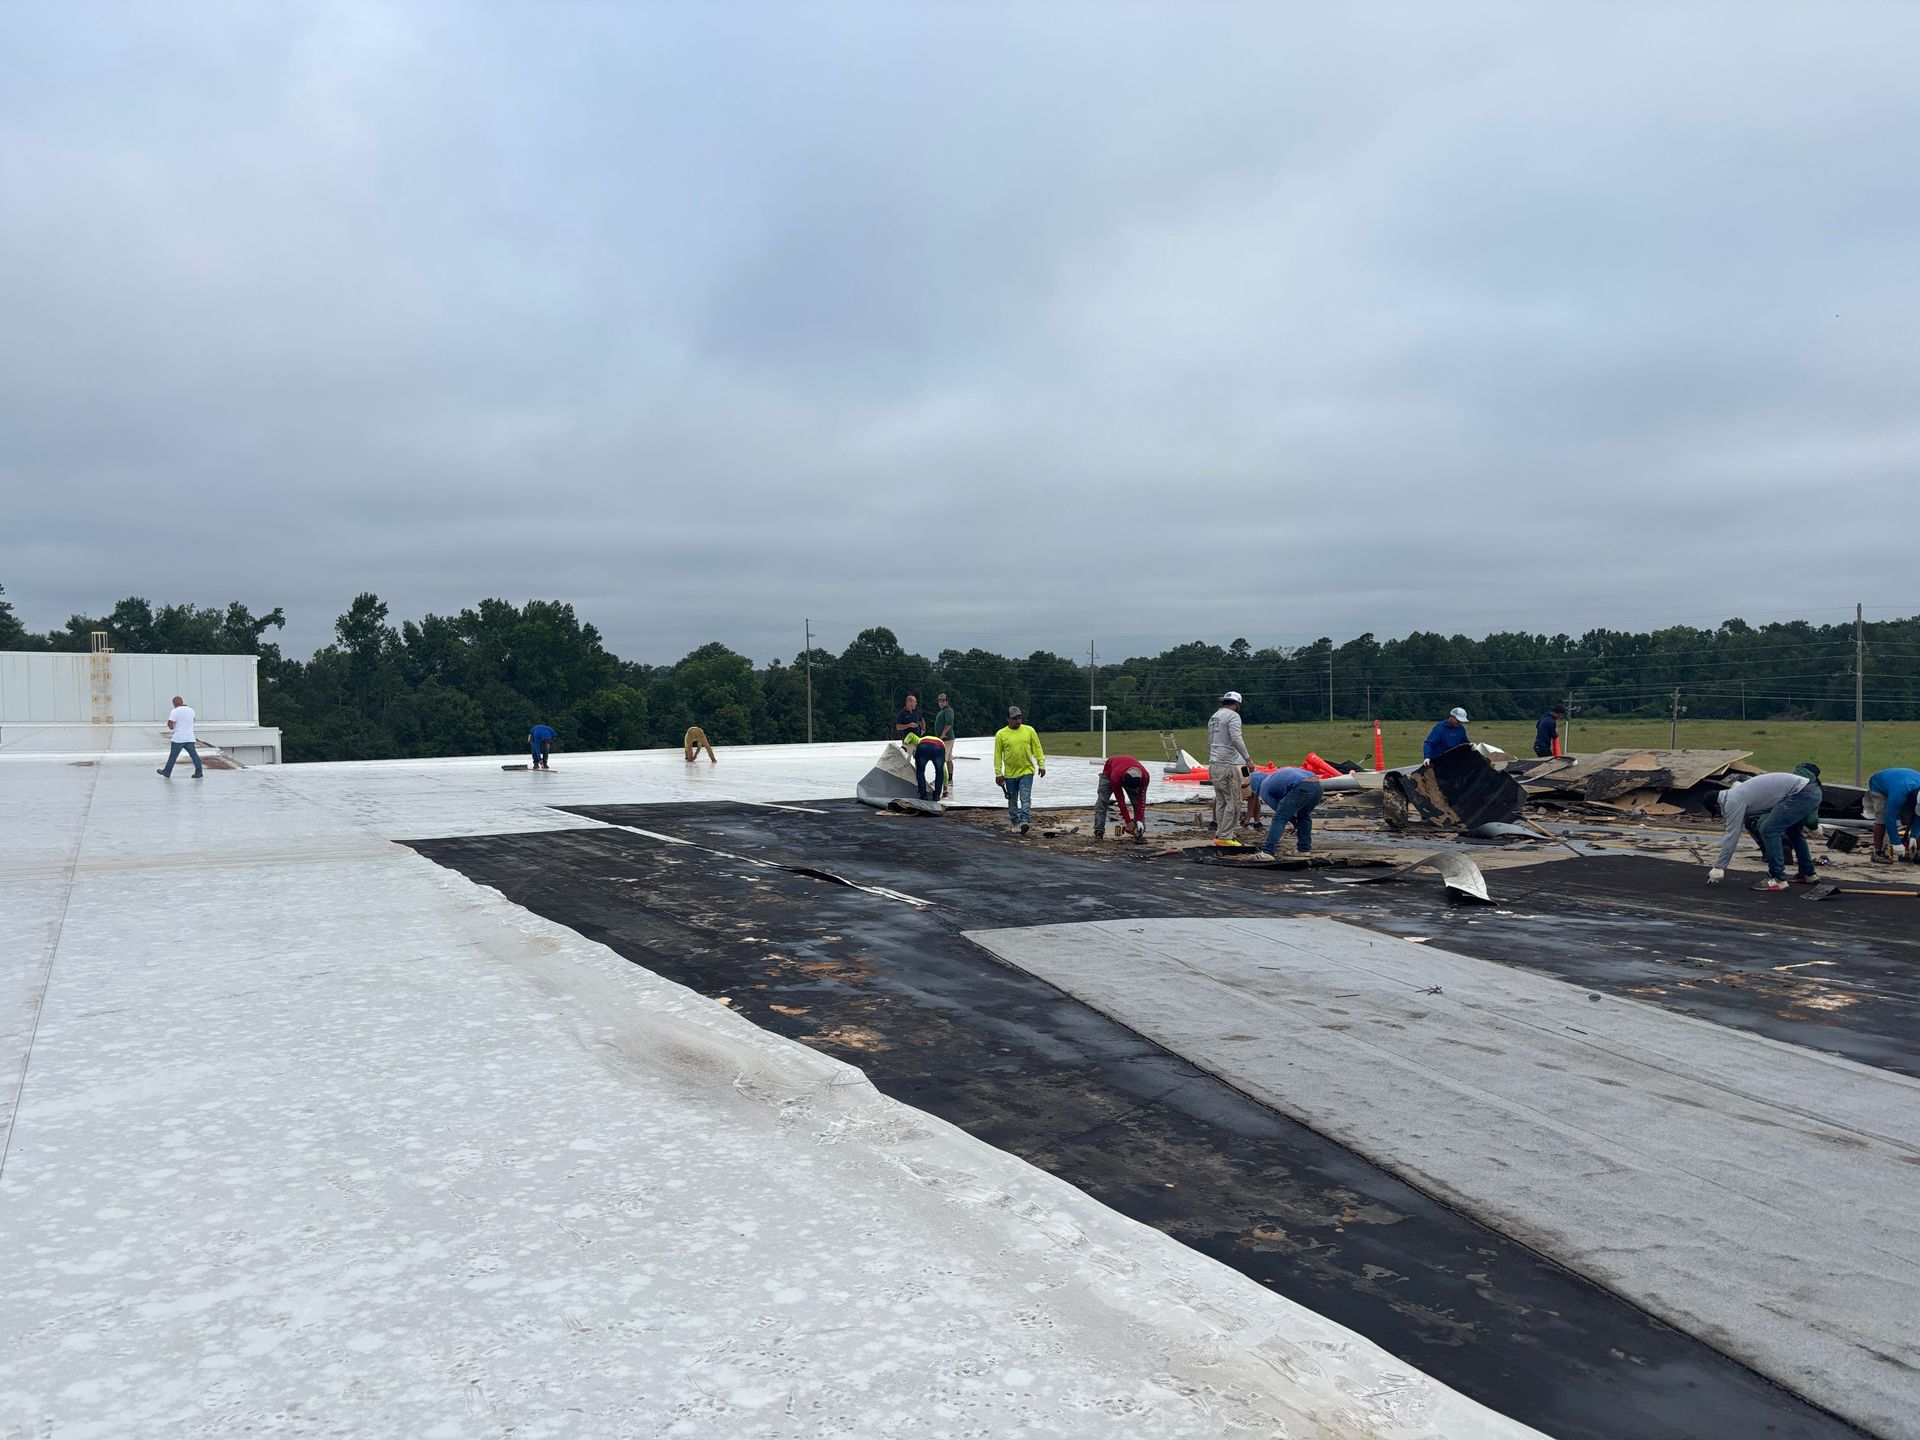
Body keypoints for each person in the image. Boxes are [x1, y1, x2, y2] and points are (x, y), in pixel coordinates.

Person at [1706, 764, 1823, 890]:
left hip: (1802, 794)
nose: (1721, 816)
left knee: (1769, 830)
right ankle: (1808, 873)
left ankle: (1777, 878)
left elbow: (1732, 836)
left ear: (1717, 806)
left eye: (1717, 814)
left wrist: (1719, 867)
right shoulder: (1738, 793)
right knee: (1793, 831)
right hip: (1810, 791)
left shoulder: (1732, 801)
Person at [1247, 766, 1323, 858]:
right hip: (1317, 785)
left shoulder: (1264, 787)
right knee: (1304, 816)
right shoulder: (1271, 777)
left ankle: (1268, 852)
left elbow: (1281, 813)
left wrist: (1294, 823)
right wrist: (1296, 823)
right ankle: (1304, 849)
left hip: (1300, 786)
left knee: (1279, 818)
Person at [993, 705, 1046, 834]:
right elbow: (998, 755)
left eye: (1019, 718)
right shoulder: (1001, 734)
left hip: (1026, 771)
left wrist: (1041, 764)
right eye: (1014, 718)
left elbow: (1037, 748)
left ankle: (1024, 821)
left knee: (1025, 796)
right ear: (1008, 719)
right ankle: (1015, 821)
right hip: (1010, 774)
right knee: (1012, 799)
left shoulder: (1029, 731)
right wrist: (998, 773)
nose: (1018, 721)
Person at [1206, 690, 1252, 834]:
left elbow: (1210, 741)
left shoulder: (1214, 717)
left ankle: (1221, 832)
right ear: (1237, 704)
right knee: (1234, 801)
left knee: (1221, 801)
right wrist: (1248, 759)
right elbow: (1236, 738)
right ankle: (1225, 835)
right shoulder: (1233, 716)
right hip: (1227, 764)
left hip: (1214, 763)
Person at [1866, 766, 1920, 862]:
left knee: (1909, 818)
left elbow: (1918, 816)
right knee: (1882, 817)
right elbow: (1890, 817)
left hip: (1904, 783)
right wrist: (1896, 843)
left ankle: (1910, 850)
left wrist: (1913, 837)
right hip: (1879, 785)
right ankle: (1877, 852)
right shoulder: (1899, 794)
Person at [1094, 755, 1150, 841]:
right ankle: (1099, 831)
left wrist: (1139, 820)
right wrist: (1128, 822)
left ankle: (1139, 831)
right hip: (1109, 773)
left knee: (1136, 802)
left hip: (1124, 772)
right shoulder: (1115, 776)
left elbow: (1141, 800)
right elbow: (1120, 800)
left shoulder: (1145, 777)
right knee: (1102, 801)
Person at [157, 694, 203, 779]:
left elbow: (170, 724)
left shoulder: (175, 711)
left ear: (174, 703)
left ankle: (167, 772)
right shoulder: (191, 710)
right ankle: (199, 772)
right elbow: (193, 721)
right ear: (182, 702)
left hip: (178, 738)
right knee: (194, 755)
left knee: (173, 756)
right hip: (189, 738)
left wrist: (173, 727)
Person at [905, 732, 947, 802]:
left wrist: (905, 744)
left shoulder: (919, 739)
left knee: (920, 771)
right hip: (939, 747)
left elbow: (910, 734)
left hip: (923, 747)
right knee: (940, 772)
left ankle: (923, 795)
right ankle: (937, 795)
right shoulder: (941, 742)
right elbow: (944, 770)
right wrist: (945, 788)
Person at [932, 691, 957, 798]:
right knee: (949, 758)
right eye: (940, 701)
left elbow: (949, 723)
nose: (941, 703)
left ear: (947, 701)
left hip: (946, 739)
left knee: (942, 759)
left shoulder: (948, 711)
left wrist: (942, 734)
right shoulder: (943, 711)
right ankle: (950, 779)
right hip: (947, 739)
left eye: (943, 701)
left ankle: (942, 779)